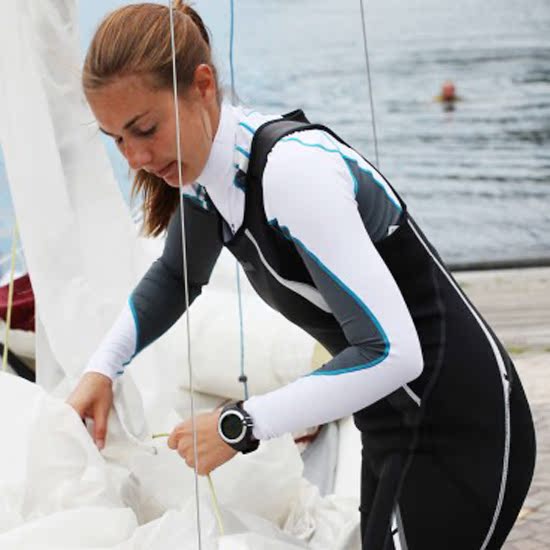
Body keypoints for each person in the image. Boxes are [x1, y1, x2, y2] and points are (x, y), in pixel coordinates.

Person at [67, 3, 536, 549]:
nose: (137, 158)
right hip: (387, 425)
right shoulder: (203, 175)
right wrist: (101, 369)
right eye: (116, 139)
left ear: (202, 85)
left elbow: (394, 352)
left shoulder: (292, 172)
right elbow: (176, 278)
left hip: (460, 424)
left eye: (144, 129)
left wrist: (239, 425)